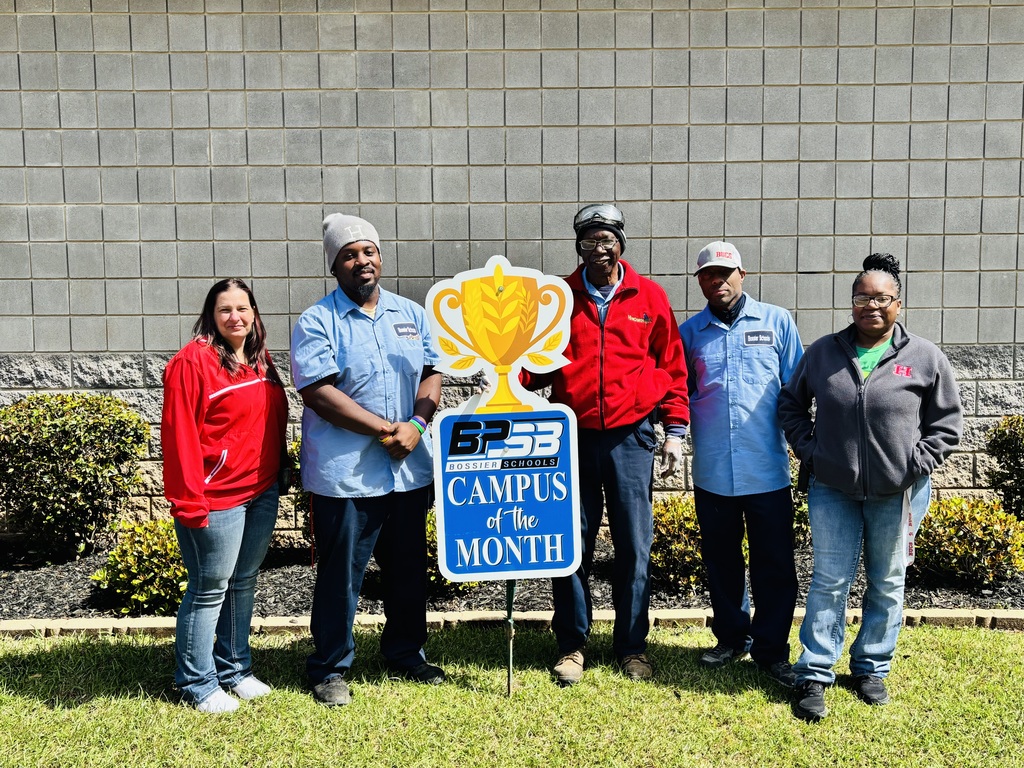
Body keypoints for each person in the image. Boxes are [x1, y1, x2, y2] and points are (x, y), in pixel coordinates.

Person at [778, 253, 963, 721]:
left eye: (881, 298)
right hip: (832, 488)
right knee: (829, 581)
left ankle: (870, 667)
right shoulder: (823, 352)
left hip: (899, 493)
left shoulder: (924, 356)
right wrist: (811, 451)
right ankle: (815, 672)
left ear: (898, 303)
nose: (871, 306)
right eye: (862, 298)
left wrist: (915, 463)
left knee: (887, 581)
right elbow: (791, 405)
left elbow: (946, 423)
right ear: (851, 303)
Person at [522, 203, 690, 685]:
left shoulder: (649, 297)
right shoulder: (557, 297)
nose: (598, 248)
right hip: (570, 435)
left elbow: (671, 367)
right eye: (588, 240)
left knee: (634, 546)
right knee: (570, 544)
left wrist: (675, 430)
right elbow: (536, 364)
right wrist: (505, 371)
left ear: (621, 244)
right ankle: (573, 645)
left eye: (606, 239)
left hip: (630, 436)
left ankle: (632, 647)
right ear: (578, 246)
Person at [290, 213, 444, 707]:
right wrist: (385, 429)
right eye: (350, 255)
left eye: (369, 251)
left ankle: (405, 652)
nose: (363, 261)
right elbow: (318, 392)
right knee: (341, 576)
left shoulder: (411, 313)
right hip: (346, 477)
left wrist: (416, 426)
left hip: (407, 470)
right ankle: (330, 667)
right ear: (335, 266)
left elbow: (431, 373)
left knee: (407, 571)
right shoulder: (318, 320)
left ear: (381, 257)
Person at [678, 241, 803, 688]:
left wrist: (807, 450)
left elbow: (797, 392)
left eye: (727, 272)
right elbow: (680, 396)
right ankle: (732, 637)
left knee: (774, 564)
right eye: (710, 274)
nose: (720, 281)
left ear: (743, 274)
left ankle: (771, 649)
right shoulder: (690, 333)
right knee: (721, 561)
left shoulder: (777, 322)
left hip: (767, 470)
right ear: (700, 282)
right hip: (712, 472)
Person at [161, 278, 289, 713]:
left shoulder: (257, 358)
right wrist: (189, 501)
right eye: (225, 310)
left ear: (254, 312)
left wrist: (280, 470)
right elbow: (179, 438)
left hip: (260, 490)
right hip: (216, 498)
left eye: (243, 307)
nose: (235, 317)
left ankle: (235, 669)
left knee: (243, 581)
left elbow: (269, 419)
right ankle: (197, 682)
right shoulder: (192, 362)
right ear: (211, 316)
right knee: (209, 587)